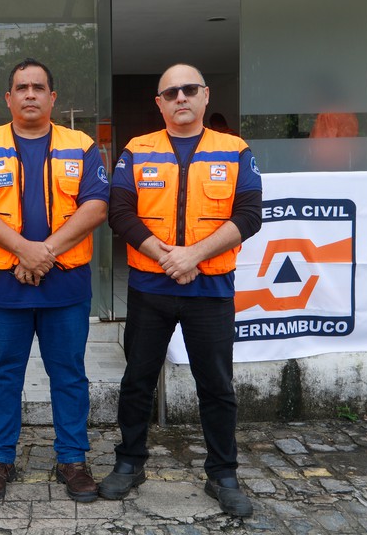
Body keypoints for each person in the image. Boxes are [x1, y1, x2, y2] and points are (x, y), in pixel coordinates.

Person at [101, 63, 262, 518]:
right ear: (160, 103)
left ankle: (223, 474)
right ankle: (130, 463)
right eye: (170, 93)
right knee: (137, 381)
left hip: (210, 288)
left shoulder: (235, 151)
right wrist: (167, 257)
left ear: (205, 96)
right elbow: (120, 212)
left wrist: (193, 256)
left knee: (216, 385)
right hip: (150, 286)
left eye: (189, 89)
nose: (180, 98)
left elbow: (249, 215)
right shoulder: (137, 150)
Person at [0, 58, 109, 503]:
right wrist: (24, 250)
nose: (29, 94)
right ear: (8, 98)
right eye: (21, 87)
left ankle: (73, 460)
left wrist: (43, 253)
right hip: (4, 285)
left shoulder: (81, 145)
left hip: (64, 284)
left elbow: (96, 206)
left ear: (52, 97)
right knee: (3, 376)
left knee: (68, 374)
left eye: (38, 87)